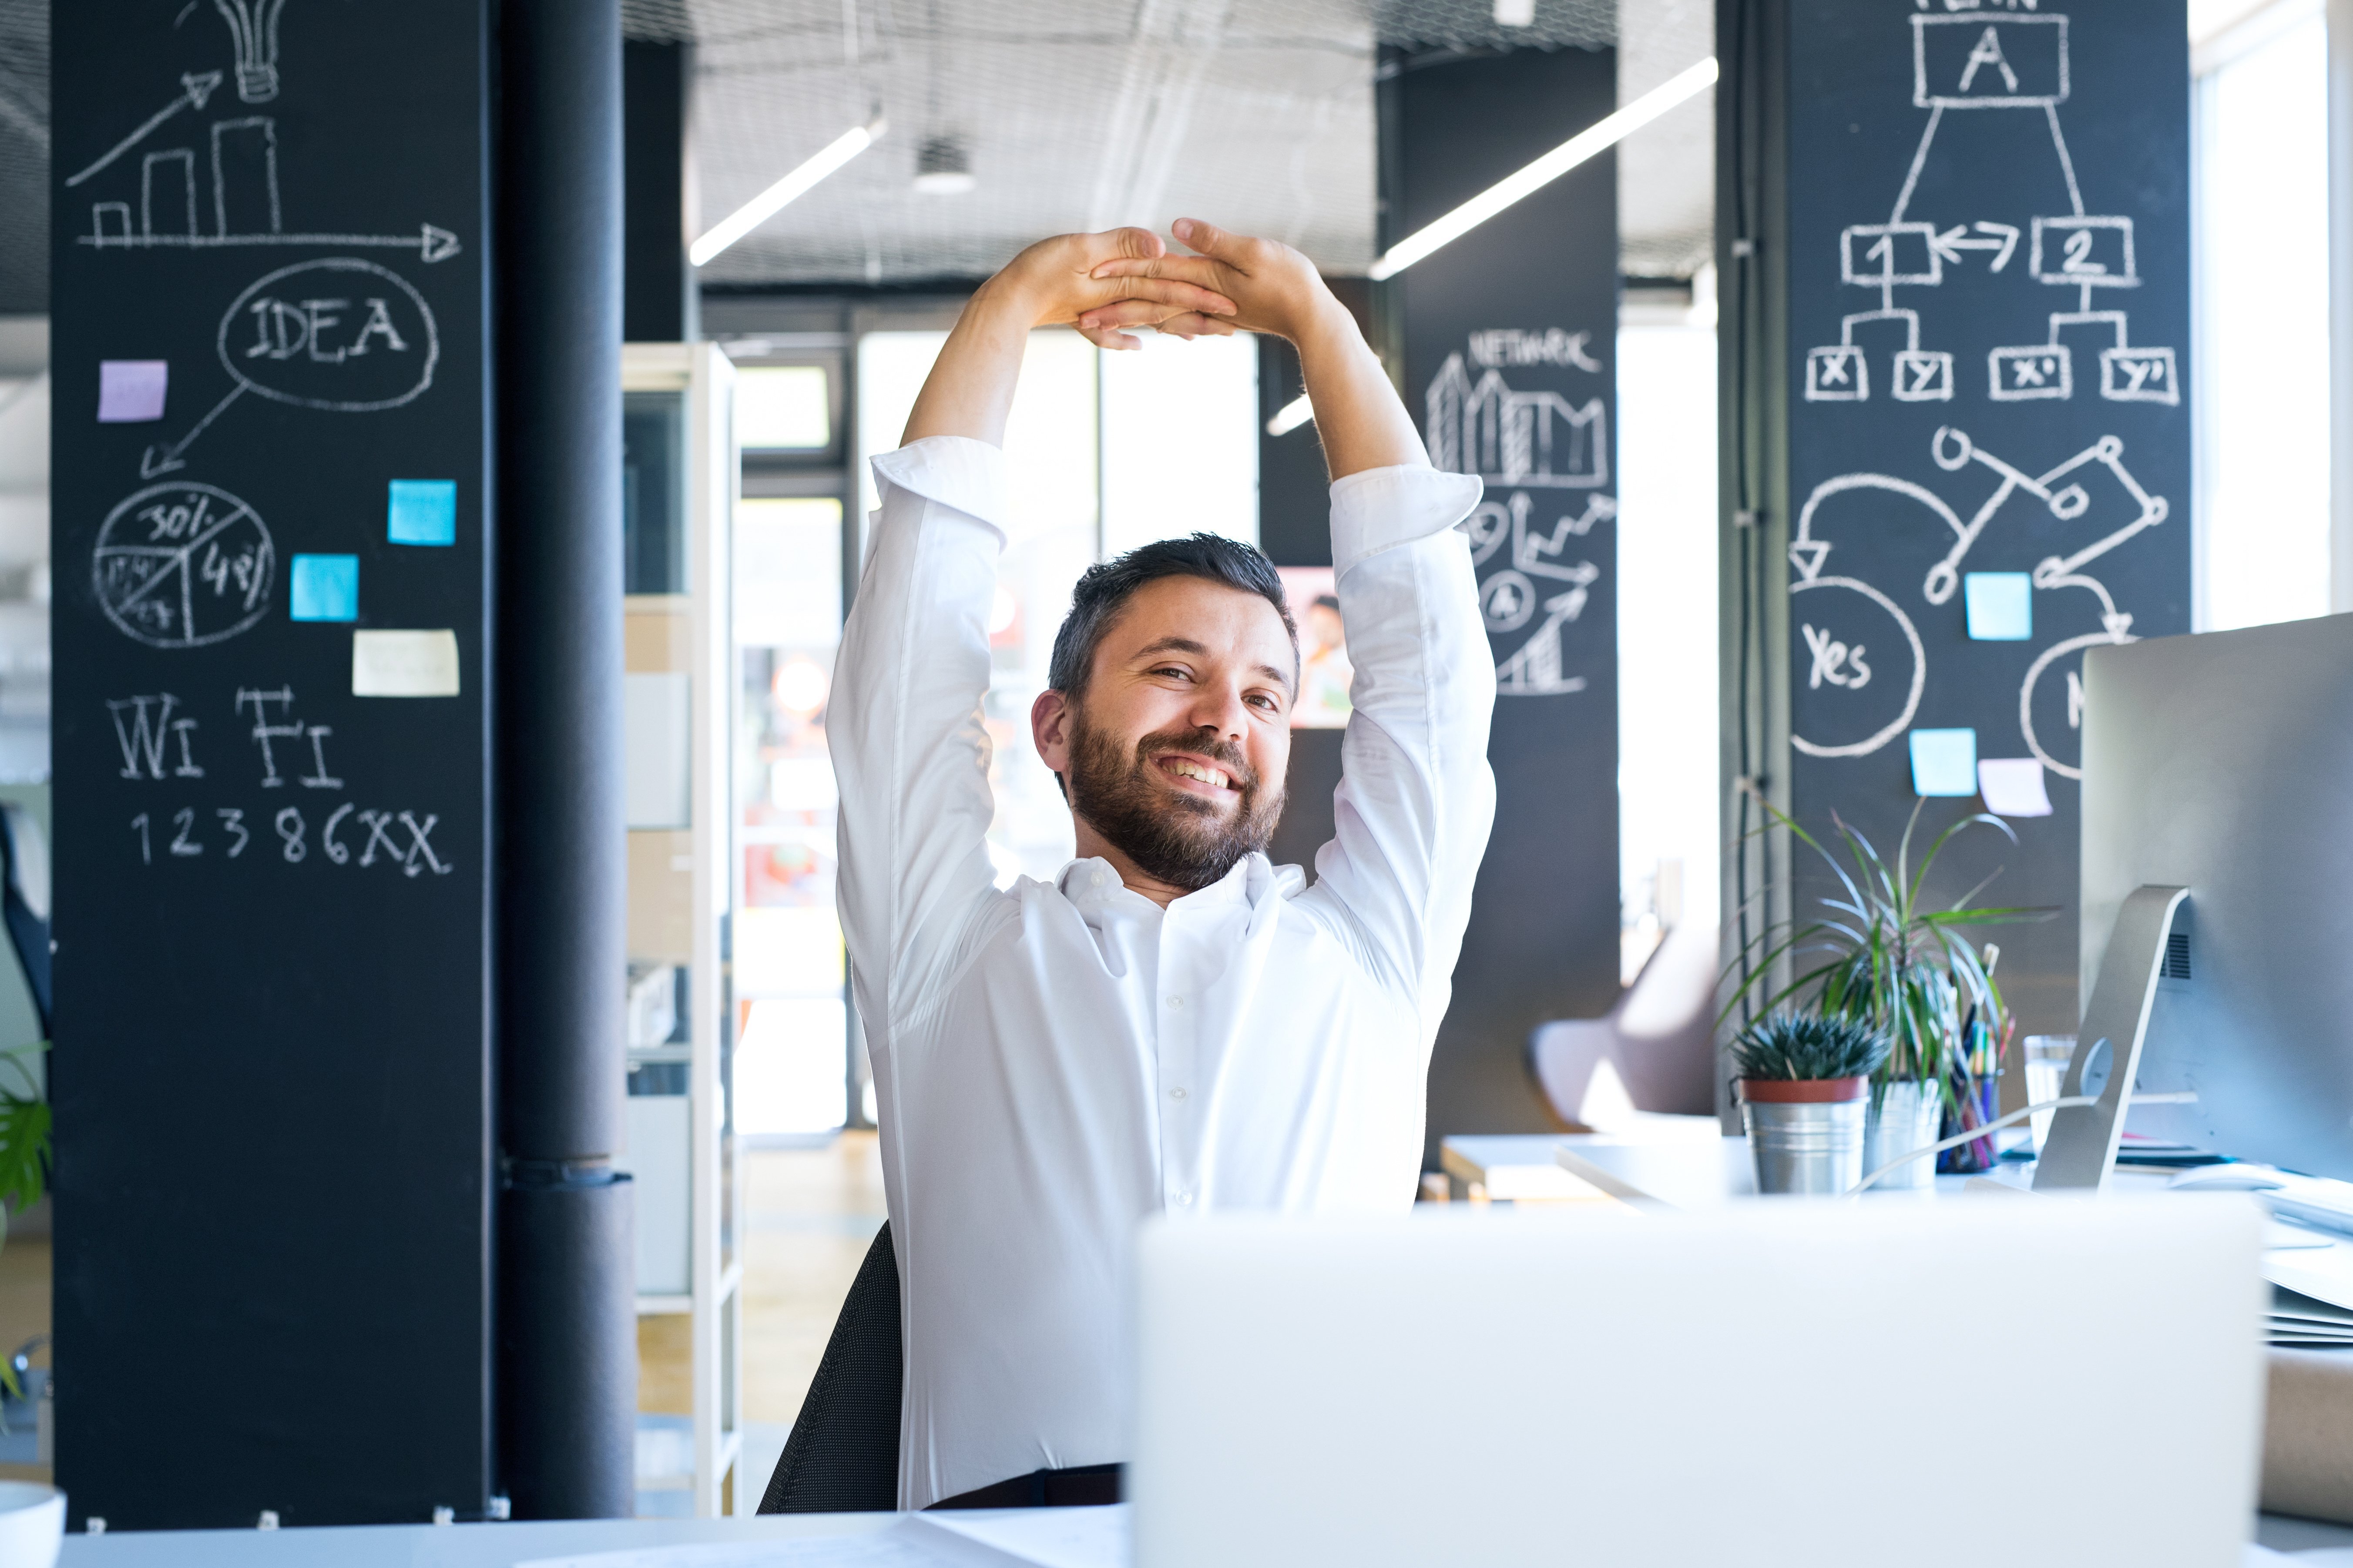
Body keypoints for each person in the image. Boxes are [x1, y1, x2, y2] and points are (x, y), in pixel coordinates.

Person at [829, 219, 1497, 1510]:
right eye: (1173, 671)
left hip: (1315, 1526)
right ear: (1055, 729)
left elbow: (1433, 687)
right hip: (997, 1546)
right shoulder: (946, 959)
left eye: (1263, 695)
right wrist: (1012, 302)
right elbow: (904, 669)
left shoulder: (1371, 956)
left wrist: (1320, 322)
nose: (1221, 719)